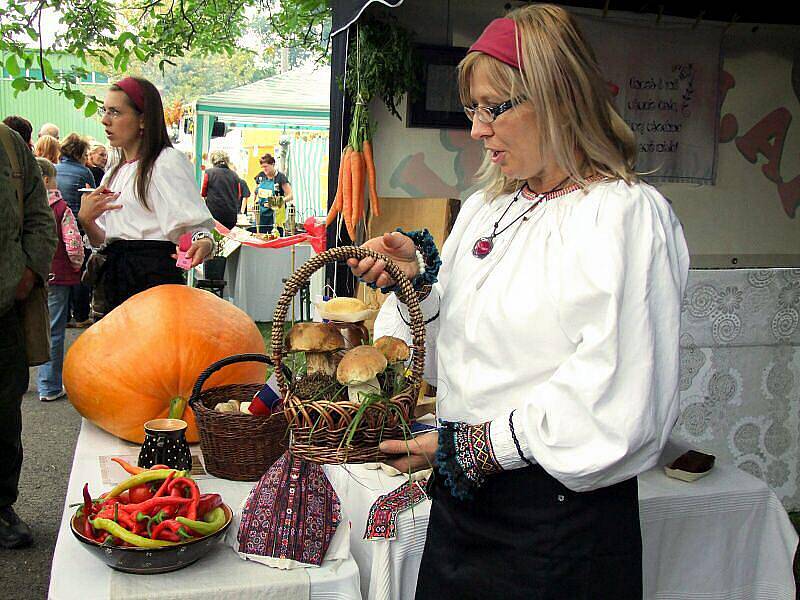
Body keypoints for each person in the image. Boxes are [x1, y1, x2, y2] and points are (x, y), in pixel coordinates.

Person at [348, 5, 690, 599]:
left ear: (559, 98)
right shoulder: (489, 209)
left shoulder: (621, 216)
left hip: (557, 528)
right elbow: (446, 359)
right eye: (473, 109)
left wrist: (474, 447)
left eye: (494, 108)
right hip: (463, 508)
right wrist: (418, 289)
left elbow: (616, 399)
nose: (478, 129)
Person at [78, 76, 215, 311]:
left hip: (152, 282)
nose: (104, 120)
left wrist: (203, 241)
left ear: (142, 119)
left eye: (115, 112)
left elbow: (194, 227)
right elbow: (106, 240)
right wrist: (87, 220)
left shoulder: (166, 162)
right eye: (105, 111)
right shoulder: (115, 171)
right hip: (116, 281)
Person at [0, 123, 57, 549]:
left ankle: (1, 506)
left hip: (4, 310)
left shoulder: (10, 144)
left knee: (3, 415)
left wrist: (28, 273)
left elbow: (40, 218)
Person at [35, 157, 83, 402]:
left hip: (29, 274)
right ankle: (49, 385)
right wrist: (76, 265)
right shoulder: (61, 208)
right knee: (53, 330)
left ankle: (19, 380)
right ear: (47, 180)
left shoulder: (22, 205)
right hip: (56, 275)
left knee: (22, 328)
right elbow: (73, 243)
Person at [56, 133, 95, 328]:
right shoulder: (84, 173)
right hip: (77, 227)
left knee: (61, 269)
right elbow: (91, 199)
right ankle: (80, 315)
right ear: (80, 153)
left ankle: (63, 315)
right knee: (80, 270)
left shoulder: (54, 170)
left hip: (55, 226)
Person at [201, 150, 241, 230]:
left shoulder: (209, 173)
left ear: (213, 161)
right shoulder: (235, 175)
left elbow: (203, 193)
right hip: (231, 217)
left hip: (214, 215)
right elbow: (239, 195)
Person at [253, 153, 292, 234]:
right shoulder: (261, 176)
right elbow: (256, 192)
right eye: (262, 167)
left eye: (266, 166)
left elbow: (290, 195)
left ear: (273, 164)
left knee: (275, 235)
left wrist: (278, 201)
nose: (264, 169)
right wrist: (254, 203)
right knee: (260, 236)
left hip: (276, 214)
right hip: (261, 213)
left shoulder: (280, 177)